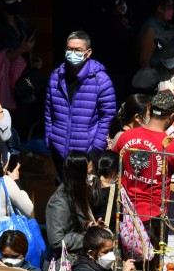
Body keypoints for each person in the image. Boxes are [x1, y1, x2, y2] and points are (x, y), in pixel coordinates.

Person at [114, 92, 174, 271]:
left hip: (124, 212)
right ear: (171, 117)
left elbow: (114, 164)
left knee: (126, 262)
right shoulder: (171, 145)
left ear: (149, 110)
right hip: (152, 216)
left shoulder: (126, 136)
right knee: (151, 267)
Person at [45, 30, 117, 179]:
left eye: (78, 50)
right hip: (58, 149)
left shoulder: (100, 80)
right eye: (69, 49)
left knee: (83, 197)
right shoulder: (55, 77)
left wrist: (95, 148)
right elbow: (48, 112)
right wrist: (49, 140)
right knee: (62, 195)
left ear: (88, 52)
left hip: (86, 153)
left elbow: (108, 116)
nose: (73, 53)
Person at [45, 151, 95, 258]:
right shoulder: (58, 202)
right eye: (89, 173)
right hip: (65, 264)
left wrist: (90, 227)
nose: (91, 177)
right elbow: (57, 241)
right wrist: (88, 237)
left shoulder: (78, 194)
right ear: (79, 175)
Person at [138, 0, 174, 69]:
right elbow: (144, 62)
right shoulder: (151, 30)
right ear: (160, 9)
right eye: (169, 6)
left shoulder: (165, 25)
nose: (172, 10)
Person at [89, 150, 121, 224]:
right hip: (109, 232)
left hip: (92, 232)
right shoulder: (117, 191)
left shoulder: (88, 186)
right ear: (113, 171)